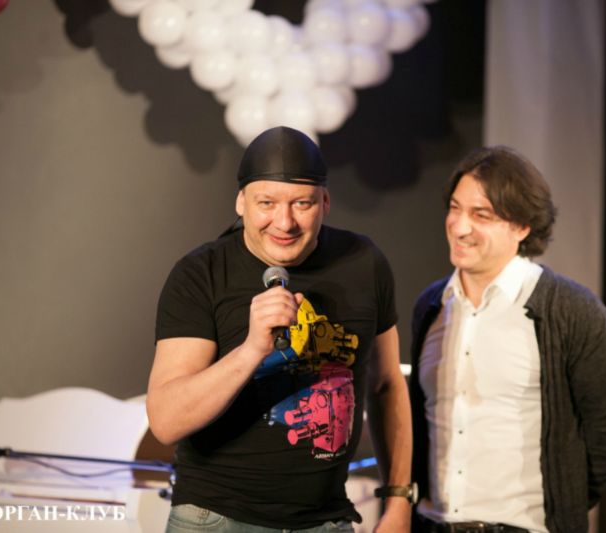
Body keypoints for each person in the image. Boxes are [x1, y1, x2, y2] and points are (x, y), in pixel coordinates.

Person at [147, 126, 412, 533]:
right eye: (266, 203)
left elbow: (386, 385)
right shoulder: (202, 274)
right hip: (217, 519)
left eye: (302, 203)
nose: (284, 222)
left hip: (326, 521)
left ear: (325, 202)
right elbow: (167, 421)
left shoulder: (365, 262)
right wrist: (252, 349)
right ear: (241, 202)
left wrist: (398, 500)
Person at [409, 146, 606, 533]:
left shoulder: (572, 310)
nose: (460, 227)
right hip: (432, 524)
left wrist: (563, 501)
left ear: (522, 227)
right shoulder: (432, 306)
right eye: (455, 208)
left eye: (481, 215)